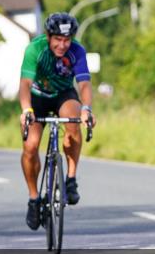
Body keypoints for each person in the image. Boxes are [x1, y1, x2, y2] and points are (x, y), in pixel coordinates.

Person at [18, 13, 96, 230]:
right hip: (37, 96)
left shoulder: (77, 51)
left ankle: (70, 178)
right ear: (48, 36)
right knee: (30, 146)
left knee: (74, 122)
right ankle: (34, 198)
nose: (62, 45)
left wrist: (87, 109)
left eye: (67, 40)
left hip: (63, 94)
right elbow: (24, 84)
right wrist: (26, 110)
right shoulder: (35, 49)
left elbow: (84, 84)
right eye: (58, 40)